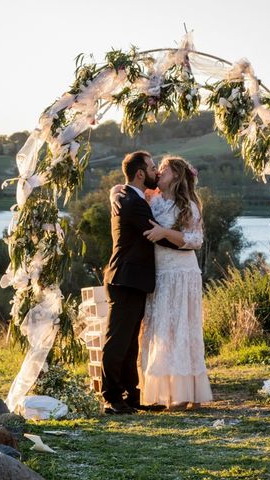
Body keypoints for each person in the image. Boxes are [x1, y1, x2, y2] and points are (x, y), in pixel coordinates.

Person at [112, 155, 213, 410]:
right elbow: (122, 191)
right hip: (159, 274)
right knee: (161, 332)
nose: (158, 173)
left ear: (177, 177)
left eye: (164, 170)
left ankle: (187, 393)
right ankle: (165, 392)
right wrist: (113, 194)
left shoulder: (187, 205)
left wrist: (165, 232)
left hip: (181, 273)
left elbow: (196, 240)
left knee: (182, 329)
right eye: (157, 168)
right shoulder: (152, 200)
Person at [101, 151, 179, 415]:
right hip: (124, 278)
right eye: (153, 167)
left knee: (130, 342)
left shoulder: (127, 195)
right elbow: (157, 234)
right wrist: (187, 241)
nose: (157, 171)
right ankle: (111, 398)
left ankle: (130, 396)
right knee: (117, 341)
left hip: (133, 280)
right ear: (140, 173)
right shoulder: (130, 201)